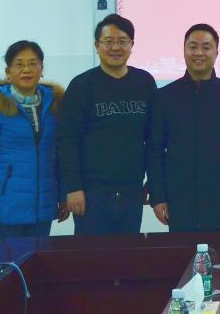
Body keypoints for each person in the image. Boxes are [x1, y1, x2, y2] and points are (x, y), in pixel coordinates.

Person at [147, 24, 220, 232]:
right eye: (192, 46)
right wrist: (157, 197)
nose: (198, 53)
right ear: (184, 50)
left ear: (216, 52)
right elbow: (154, 150)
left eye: (206, 47)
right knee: (180, 251)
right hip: (178, 197)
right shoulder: (164, 97)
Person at [57, 14, 157, 235]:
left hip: (132, 190)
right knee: (91, 253)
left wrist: (153, 182)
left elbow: (153, 139)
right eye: (108, 41)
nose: (115, 48)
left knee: (128, 251)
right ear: (97, 46)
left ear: (132, 45)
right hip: (91, 192)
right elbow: (67, 141)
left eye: (122, 41)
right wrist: (73, 187)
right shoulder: (81, 85)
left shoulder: (145, 82)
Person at [0, 40, 68, 237]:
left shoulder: (54, 104)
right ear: (8, 72)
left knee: (41, 257)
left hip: (43, 206)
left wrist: (63, 195)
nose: (26, 70)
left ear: (42, 69)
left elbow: (60, 154)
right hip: (6, 208)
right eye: (19, 64)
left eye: (33, 63)